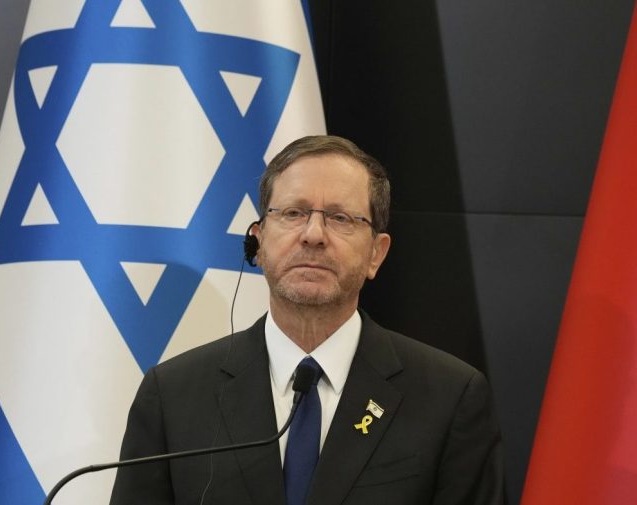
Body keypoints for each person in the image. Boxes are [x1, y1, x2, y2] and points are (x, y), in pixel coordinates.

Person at [110, 135, 504, 505]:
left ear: (376, 254)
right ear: (257, 242)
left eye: (340, 218)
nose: (313, 235)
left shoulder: (449, 397)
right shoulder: (172, 395)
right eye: (294, 213)